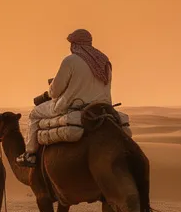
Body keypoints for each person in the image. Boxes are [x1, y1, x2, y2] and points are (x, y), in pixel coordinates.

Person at [19, 28, 114, 167]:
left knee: (34, 114)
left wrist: (51, 87)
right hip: (102, 107)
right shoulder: (104, 61)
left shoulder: (71, 60)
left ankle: (30, 154)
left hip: (74, 106)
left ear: (74, 44)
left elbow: (54, 92)